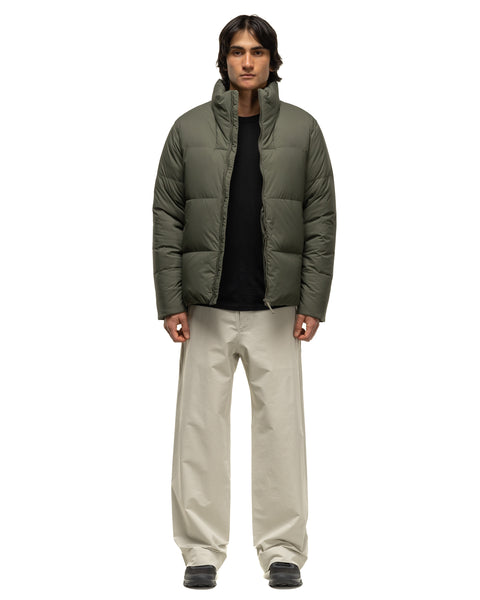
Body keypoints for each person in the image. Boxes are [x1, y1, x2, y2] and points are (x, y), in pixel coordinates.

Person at [152, 14, 336, 589]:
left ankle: (283, 550)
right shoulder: (187, 129)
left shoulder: (304, 130)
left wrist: (312, 302)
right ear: (224, 59)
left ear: (272, 60)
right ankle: (200, 552)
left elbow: (321, 219)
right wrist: (170, 300)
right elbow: (167, 217)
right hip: (204, 308)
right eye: (237, 51)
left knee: (281, 432)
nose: (248, 61)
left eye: (257, 51)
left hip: (277, 310)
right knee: (199, 431)